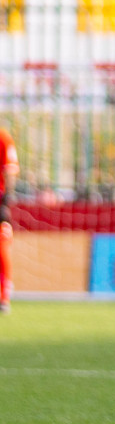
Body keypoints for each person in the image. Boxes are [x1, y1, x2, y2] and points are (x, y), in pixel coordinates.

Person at [0, 124, 14, 313]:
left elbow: (10, 170)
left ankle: (4, 297)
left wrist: (6, 201)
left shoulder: (3, 137)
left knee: (2, 247)